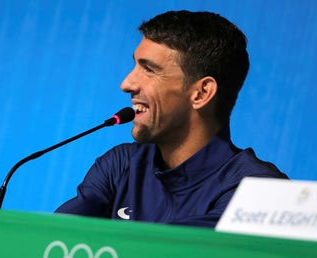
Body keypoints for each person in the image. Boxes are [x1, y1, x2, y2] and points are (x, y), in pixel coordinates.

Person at [55, 10, 287, 227]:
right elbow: (51, 244)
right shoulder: (121, 166)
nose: (126, 84)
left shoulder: (260, 192)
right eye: (135, 65)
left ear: (201, 93)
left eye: (149, 70)